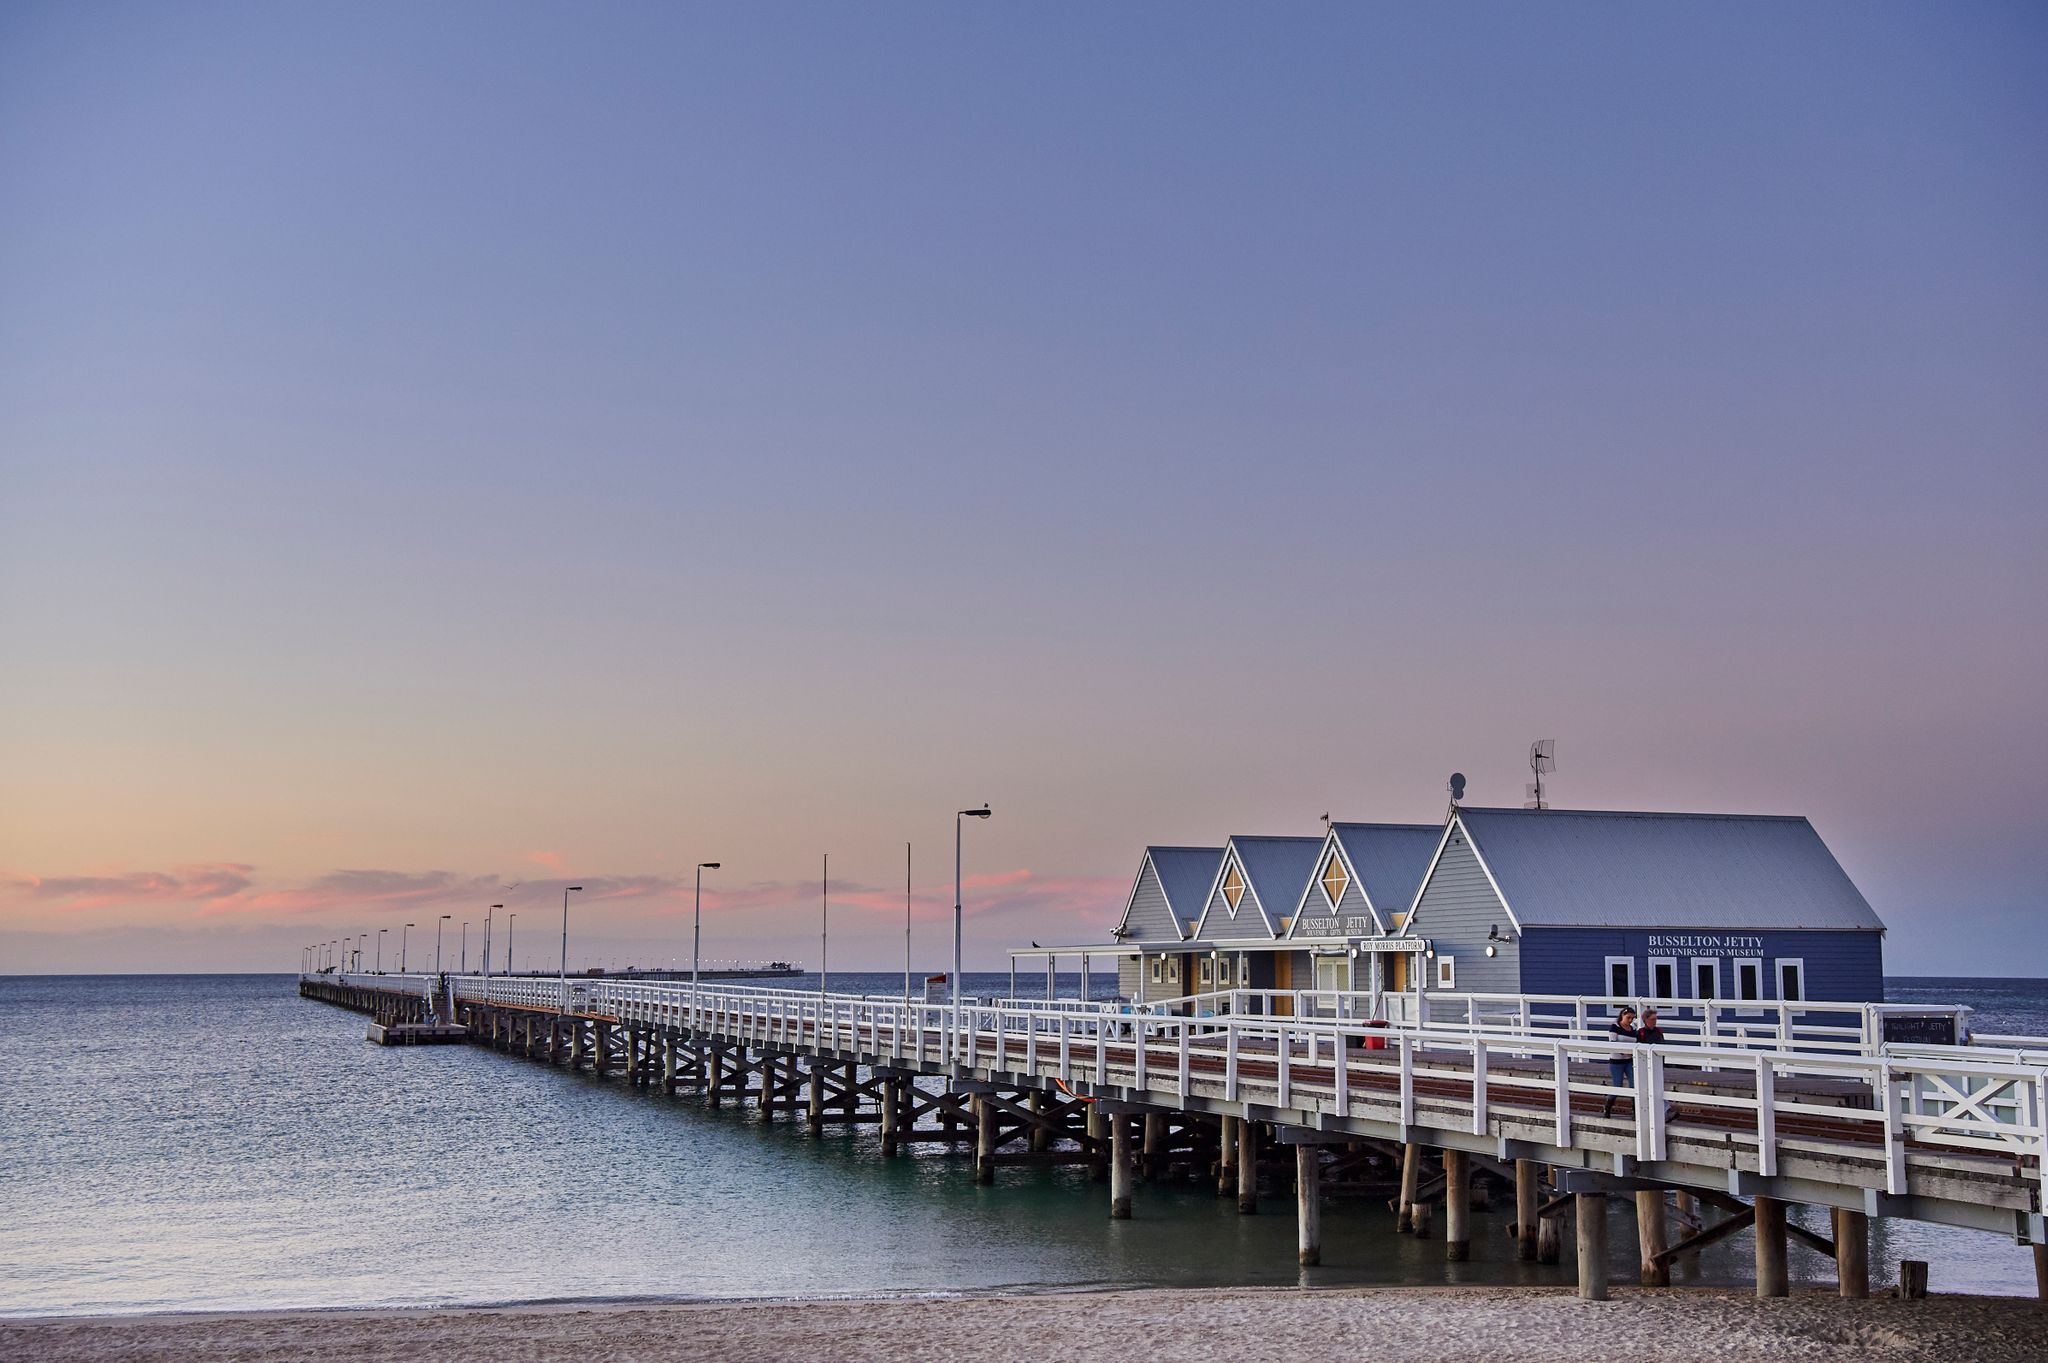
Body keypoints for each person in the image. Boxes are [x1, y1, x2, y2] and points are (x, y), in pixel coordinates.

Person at [1603, 1006, 1638, 1118]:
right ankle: (1608, 1108)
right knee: (1617, 1085)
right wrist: (1623, 1052)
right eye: (1628, 1017)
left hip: (1629, 1061)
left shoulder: (1633, 1029)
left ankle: (1635, 1111)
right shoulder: (1615, 1027)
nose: (1630, 1020)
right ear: (1623, 1015)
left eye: (1632, 1018)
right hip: (1617, 1060)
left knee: (1634, 1084)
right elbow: (1612, 1043)